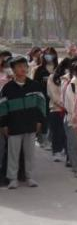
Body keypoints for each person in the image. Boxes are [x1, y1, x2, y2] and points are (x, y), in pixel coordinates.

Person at [0, 56, 47, 188]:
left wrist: (40, 120)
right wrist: (3, 124)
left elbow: (41, 104)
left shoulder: (35, 85)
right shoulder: (7, 88)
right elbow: (2, 107)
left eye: (24, 66)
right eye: (19, 66)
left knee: (29, 153)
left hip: (30, 124)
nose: (23, 69)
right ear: (13, 69)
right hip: (13, 125)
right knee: (13, 153)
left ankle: (29, 177)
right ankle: (12, 178)